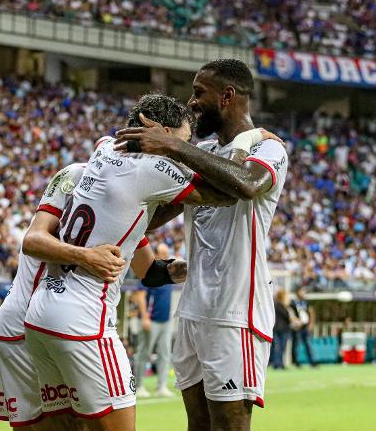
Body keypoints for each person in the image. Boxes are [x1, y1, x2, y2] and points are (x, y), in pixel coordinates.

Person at [24, 93, 256, 431]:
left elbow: (131, 217)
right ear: (160, 131)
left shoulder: (104, 146)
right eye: (182, 141)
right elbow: (230, 190)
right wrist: (245, 141)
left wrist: (178, 269)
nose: (183, 150)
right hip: (84, 321)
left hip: (41, 316)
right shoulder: (154, 168)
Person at [115, 59, 288, 431]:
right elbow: (157, 213)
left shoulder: (270, 151)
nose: (191, 103)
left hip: (235, 312)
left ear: (227, 96)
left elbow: (245, 184)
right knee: (198, 424)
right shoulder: (205, 149)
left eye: (198, 93)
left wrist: (173, 147)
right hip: (193, 308)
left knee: (230, 425)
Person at [0, 161, 126, 431]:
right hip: (27, 326)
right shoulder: (79, 176)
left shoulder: (115, 197)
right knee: (65, 425)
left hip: (29, 325)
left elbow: (150, 267)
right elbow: (32, 242)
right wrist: (86, 256)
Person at [134, 242, 175, 398]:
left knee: (165, 354)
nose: (166, 256)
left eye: (167, 253)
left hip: (166, 320)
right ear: (156, 255)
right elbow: (140, 295)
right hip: (151, 320)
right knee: (143, 353)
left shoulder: (170, 274)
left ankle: (162, 386)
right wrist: (145, 317)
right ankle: (138, 387)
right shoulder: (149, 272)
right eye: (163, 253)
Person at [290, 286, 317, 367]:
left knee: (308, 344)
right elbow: (290, 313)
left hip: (305, 327)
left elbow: (311, 312)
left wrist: (311, 324)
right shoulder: (293, 303)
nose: (304, 293)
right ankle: (296, 362)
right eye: (302, 291)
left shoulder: (306, 302)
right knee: (295, 345)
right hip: (297, 327)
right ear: (297, 292)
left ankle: (312, 362)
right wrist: (296, 322)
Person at [272, 290, 293, 369]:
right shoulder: (278, 305)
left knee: (282, 347)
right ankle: (277, 364)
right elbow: (287, 316)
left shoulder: (284, 306)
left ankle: (281, 363)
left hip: (284, 329)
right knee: (278, 347)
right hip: (279, 330)